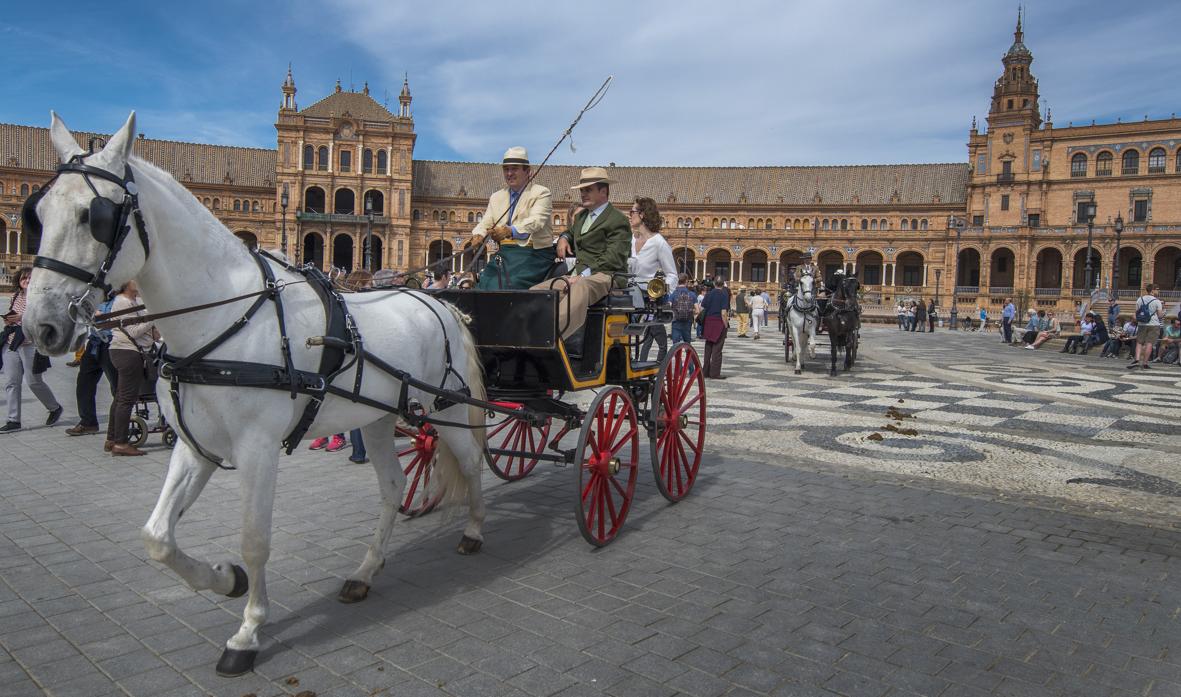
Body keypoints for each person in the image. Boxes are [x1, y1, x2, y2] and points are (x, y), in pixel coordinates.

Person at [530, 167, 630, 342]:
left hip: (607, 275)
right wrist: (563, 237)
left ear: (603, 191)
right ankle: (525, 331)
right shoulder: (582, 216)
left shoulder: (618, 220)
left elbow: (614, 258)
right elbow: (571, 232)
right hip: (579, 274)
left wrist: (583, 275)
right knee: (537, 291)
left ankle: (549, 337)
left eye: (588, 190)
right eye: (582, 190)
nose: (583, 194)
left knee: (580, 287)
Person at [464, 147, 555, 290]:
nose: (509, 173)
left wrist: (509, 231)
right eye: (506, 169)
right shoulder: (496, 197)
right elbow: (486, 222)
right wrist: (478, 235)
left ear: (527, 171)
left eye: (514, 169)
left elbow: (536, 221)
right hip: (506, 254)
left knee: (503, 285)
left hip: (535, 255)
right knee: (484, 283)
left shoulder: (541, 193)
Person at [1, 267, 63, 433]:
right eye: (23, 279)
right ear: (19, 282)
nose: (26, 281)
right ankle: (13, 420)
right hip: (12, 343)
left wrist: (22, 317)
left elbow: (45, 318)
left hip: (31, 344)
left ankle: (54, 407)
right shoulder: (16, 296)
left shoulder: (40, 298)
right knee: (11, 382)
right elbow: (14, 318)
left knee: (33, 381)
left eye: (30, 278)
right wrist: (9, 320)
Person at [105, 281, 156, 455]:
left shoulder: (136, 300)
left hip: (129, 351)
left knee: (120, 396)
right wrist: (153, 317)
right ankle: (120, 442)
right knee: (127, 399)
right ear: (125, 283)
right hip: (127, 351)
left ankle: (112, 438)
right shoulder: (123, 301)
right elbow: (133, 331)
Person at [627, 197, 678, 362]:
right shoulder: (629, 240)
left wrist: (659, 291)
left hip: (644, 294)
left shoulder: (659, 243)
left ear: (642, 214)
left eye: (632, 212)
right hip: (624, 289)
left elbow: (672, 275)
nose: (629, 216)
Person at [65, 292, 119, 436]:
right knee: (84, 383)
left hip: (112, 344)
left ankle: (118, 426)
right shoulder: (96, 298)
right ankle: (88, 422)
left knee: (117, 387)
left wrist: (103, 316)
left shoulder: (121, 300)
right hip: (94, 343)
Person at [1130, 283, 1164, 370]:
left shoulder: (1140, 299)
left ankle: (1137, 360)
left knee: (1139, 342)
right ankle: (1145, 363)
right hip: (1154, 324)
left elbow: (1137, 312)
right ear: (1152, 291)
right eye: (1157, 289)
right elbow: (1160, 315)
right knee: (1149, 344)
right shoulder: (1157, 301)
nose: (1158, 291)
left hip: (1142, 324)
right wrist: (1163, 313)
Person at [699, 279, 729, 378]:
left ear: (714, 283)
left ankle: (705, 372)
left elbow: (702, 308)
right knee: (717, 349)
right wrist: (725, 325)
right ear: (723, 285)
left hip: (708, 321)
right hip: (718, 322)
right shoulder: (724, 294)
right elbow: (723, 312)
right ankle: (715, 373)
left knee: (708, 347)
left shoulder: (708, 294)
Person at [669, 274, 696, 345]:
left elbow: (669, 306)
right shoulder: (692, 294)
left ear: (678, 281)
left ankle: (677, 356)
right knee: (687, 343)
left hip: (676, 321)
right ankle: (688, 355)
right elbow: (698, 310)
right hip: (688, 321)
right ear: (686, 281)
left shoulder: (673, 294)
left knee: (675, 345)